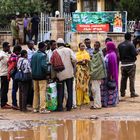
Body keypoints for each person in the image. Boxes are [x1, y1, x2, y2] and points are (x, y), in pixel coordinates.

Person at [51, 38, 76, 111]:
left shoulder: (55, 52)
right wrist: (73, 68)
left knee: (60, 91)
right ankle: (69, 107)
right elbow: (74, 59)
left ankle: (60, 107)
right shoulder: (69, 50)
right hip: (69, 73)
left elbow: (52, 64)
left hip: (60, 74)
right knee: (70, 90)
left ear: (57, 45)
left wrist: (53, 76)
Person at [31, 42, 50, 113]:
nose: (46, 48)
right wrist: (47, 72)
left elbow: (31, 65)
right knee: (42, 92)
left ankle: (35, 108)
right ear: (42, 47)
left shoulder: (34, 55)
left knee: (36, 92)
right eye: (45, 47)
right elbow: (43, 66)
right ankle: (42, 108)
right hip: (42, 76)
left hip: (34, 76)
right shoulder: (43, 55)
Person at [118, 32, 138, 98]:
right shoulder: (131, 45)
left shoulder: (120, 45)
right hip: (131, 64)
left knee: (123, 79)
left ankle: (122, 93)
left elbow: (119, 55)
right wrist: (137, 50)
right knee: (131, 79)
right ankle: (132, 93)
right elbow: (135, 54)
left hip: (123, 65)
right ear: (130, 37)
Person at [89, 41, 107, 109]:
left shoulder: (99, 54)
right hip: (94, 75)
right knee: (94, 90)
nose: (95, 46)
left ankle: (97, 105)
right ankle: (96, 104)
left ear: (99, 46)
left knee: (96, 90)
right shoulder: (94, 54)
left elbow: (99, 65)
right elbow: (93, 64)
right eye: (95, 45)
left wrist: (92, 72)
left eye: (97, 45)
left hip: (97, 74)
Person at [101, 42, 119, 107]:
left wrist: (111, 75)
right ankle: (106, 102)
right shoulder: (109, 54)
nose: (106, 47)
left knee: (110, 89)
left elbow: (112, 66)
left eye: (107, 46)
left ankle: (110, 103)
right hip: (106, 74)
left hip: (109, 75)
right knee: (107, 88)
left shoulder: (111, 55)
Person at [8, 45, 22, 110]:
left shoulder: (12, 55)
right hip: (15, 74)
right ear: (17, 51)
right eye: (19, 51)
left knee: (14, 89)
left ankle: (14, 103)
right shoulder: (15, 56)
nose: (20, 52)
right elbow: (13, 65)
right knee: (15, 89)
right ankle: (14, 104)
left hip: (13, 74)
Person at [0, 42, 11, 109]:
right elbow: (8, 63)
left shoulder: (4, 54)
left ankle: (4, 102)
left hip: (5, 73)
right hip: (4, 73)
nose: (9, 48)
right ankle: (3, 104)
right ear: (5, 47)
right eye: (8, 47)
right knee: (4, 89)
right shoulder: (2, 54)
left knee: (5, 89)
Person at [27, 40, 36, 106]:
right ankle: (28, 102)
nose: (33, 45)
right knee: (29, 87)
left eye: (33, 44)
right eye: (31, 44)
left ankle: (32, 101)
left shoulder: (34, 51)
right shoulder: (27, 52)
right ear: (28, 45)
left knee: (33, 87)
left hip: (33, 71)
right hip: (29, 71)